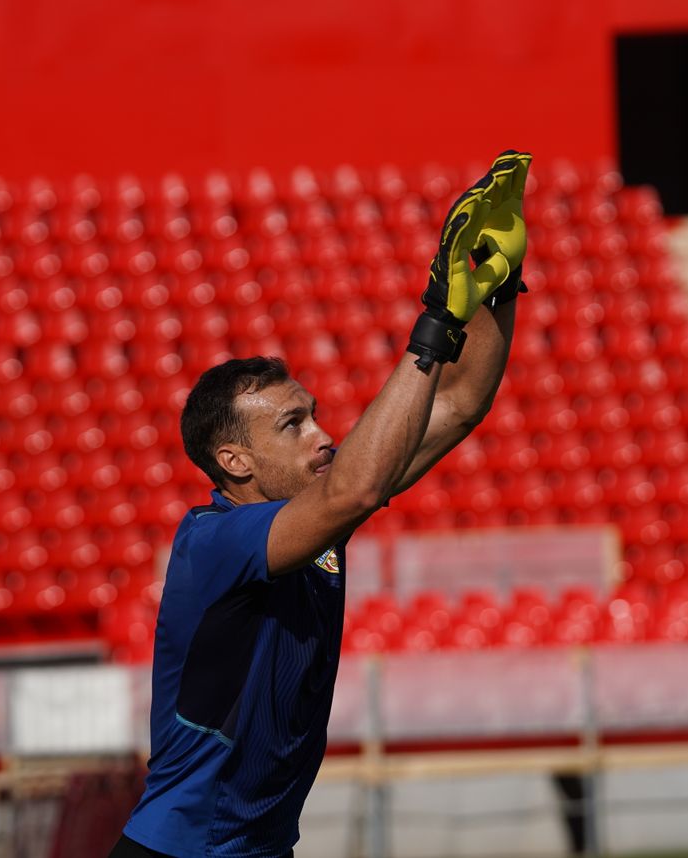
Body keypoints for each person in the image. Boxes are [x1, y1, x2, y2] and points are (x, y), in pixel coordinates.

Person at [110, 152, 533, 858]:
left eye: (314, 415)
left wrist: (500, 287)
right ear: (233, 462)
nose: (323, 434)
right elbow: (359, 487)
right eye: (292, 425)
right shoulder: (214, 539)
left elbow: (458, 405)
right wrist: (435, 321)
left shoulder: (317, 521)